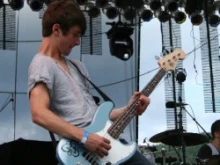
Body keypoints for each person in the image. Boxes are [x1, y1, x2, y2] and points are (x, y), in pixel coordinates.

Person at [27, 0, 152, 164]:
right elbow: (39, 114)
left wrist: (130, 109)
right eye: (75, 34)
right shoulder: (42, 64)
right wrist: (85, 138)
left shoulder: (78, 67)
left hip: (106, 144)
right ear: (56, 29)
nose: (78, 42)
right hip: (82, 152)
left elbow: (96, 117)